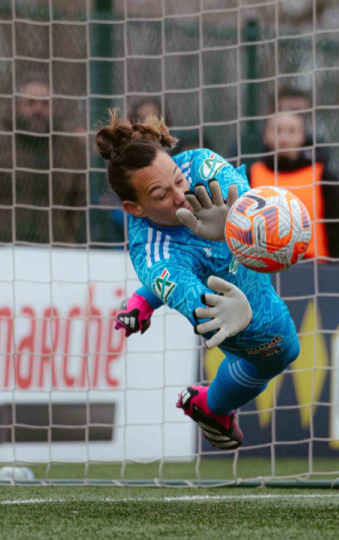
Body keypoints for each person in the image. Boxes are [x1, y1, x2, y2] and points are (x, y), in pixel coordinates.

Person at [97, 110, 301, 450]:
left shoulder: (200, 165)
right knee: (281, 351)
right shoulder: (151, 254)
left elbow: (250, 201)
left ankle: (144, 299)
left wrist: (237, 223)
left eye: (177, 178)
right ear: (135, 208)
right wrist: (226, 313)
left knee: (198, 263)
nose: (180, 194)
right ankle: (210, 408)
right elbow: (192, 298)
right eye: (161, 195)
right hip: (232, 297)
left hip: (240, 270)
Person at [0, 75, 87, 245]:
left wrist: (65, 236)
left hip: (54, 246)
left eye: (45, 104)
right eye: (30, 103)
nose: (38, 110)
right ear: (16, 105)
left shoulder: (70, 145)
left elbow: (77, 201)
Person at [248, 111, 339, 260]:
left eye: (291, 131)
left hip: (314, 267)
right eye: (277, 131)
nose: (284, 137)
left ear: (302, 136)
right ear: (265, 136)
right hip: (261, 264)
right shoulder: (252, 175)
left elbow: (338, 231)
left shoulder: (322, 176)